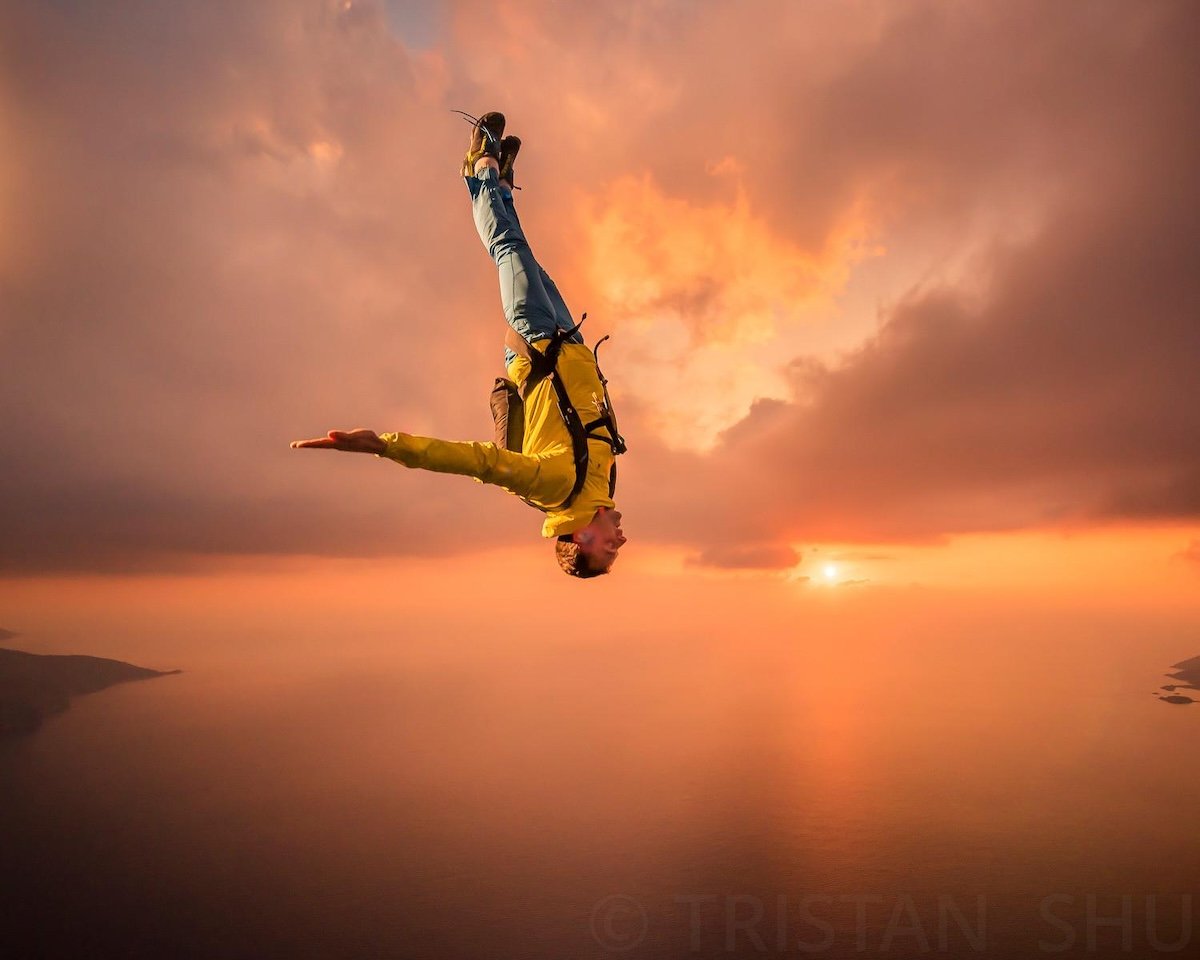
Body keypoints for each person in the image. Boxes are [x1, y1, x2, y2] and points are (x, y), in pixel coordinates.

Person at [291, 112, 627, 577]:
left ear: (583, 536)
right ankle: (503, 189)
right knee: (520, 249)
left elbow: (473, 460)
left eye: (609, 549)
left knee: (508, 249)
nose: (621, 541)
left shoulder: (552, 488)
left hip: (534, 340)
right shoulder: (598, 486)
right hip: (567, 340)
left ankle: (480, 167)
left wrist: (385, 445)